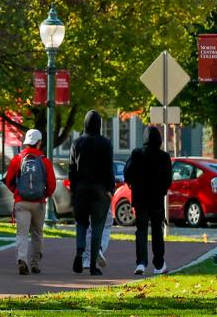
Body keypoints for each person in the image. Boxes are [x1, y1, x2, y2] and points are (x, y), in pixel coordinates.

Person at [3, 129, 55, 275]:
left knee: (22, 233)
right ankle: (35, 263)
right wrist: (45, 195)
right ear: (39, 143)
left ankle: (22, 259)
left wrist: (17, 192)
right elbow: (51, 184)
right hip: (38, 202)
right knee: (37, 234)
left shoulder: (18, 159)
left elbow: (8, 181)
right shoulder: (44, 161)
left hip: (22, 202)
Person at [69, 110, 114, 276]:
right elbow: (109, 169)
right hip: (99, 190)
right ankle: (93, 264)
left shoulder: (77, 143)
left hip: (81, 189)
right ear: (99, 125)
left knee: (81, 223)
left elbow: (72, 169)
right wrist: (110, 189)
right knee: (97, 226)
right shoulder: (105, 144)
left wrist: (74, 188)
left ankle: (79, 253)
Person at [124, 125, 173, 275]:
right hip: (157, 199)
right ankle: (158, 264)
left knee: (141, 230)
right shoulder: (164, 157)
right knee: (157, 230)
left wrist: (133, 184)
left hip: (140, 198)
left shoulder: (137, 154)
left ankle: (141, 263)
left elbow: (127, 172)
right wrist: (162, 189)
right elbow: (168, 179)